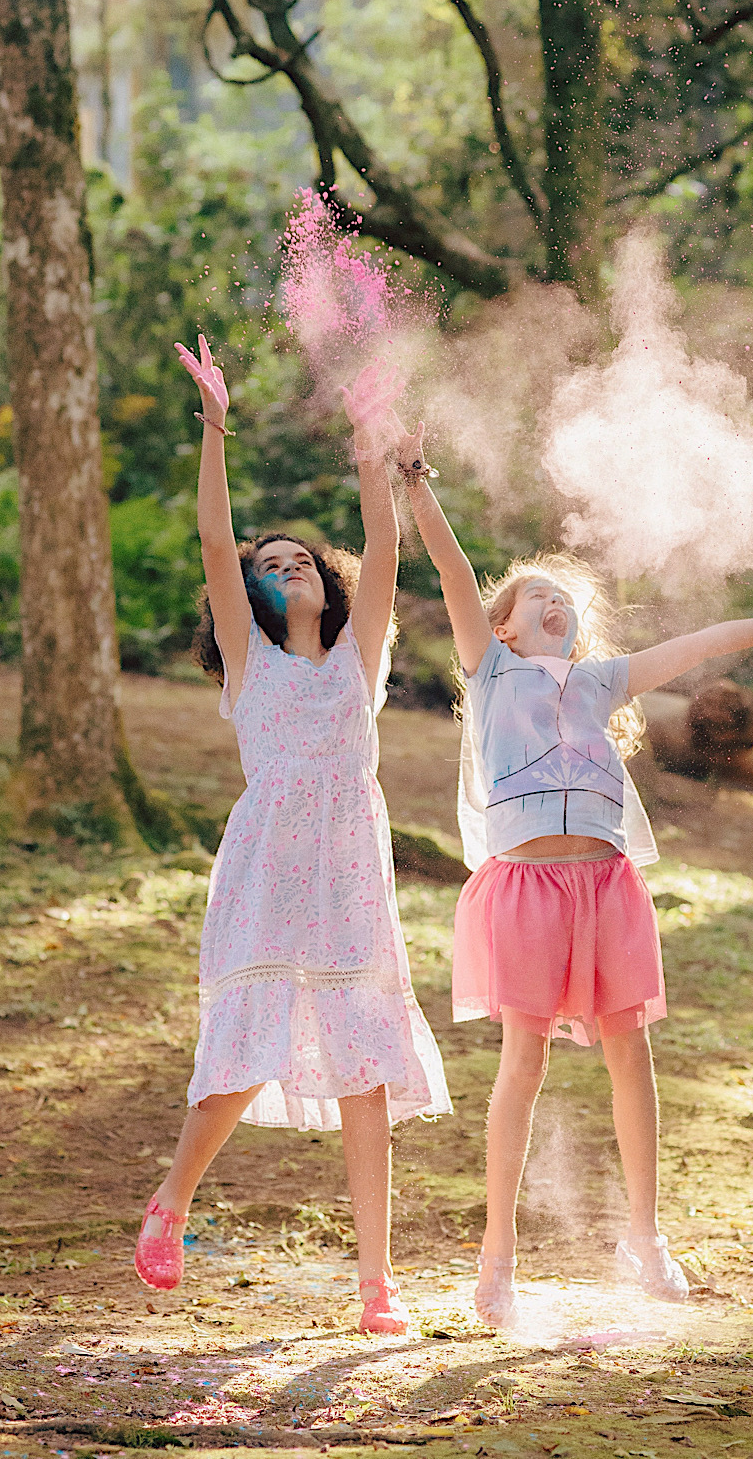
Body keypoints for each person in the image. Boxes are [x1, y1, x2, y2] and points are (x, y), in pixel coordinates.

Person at [393, 418, 753, 1329]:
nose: (558, 604)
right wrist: (417, 478)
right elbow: (453, 572)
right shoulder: (492, 673)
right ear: (502, 625)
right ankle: (498, 1262)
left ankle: (643, 1236)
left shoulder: (603, 681)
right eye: (539, 598)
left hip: (608, 888)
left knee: (630, 1056)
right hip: (528, 891)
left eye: (566, 598)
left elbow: (703, 643)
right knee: (522, 1065)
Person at [133, 339, 451, 1334]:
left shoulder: (358, 661)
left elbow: (383, 542)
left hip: (352, 879)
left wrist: (372, 443)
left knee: (364, 1070)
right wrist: (217, 427)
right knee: (241, 1055)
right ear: (253, 599)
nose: (289, 566)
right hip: (269, 875)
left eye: (301, 558)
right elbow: (213, 537)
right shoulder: (249, 666)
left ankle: (375, 1287)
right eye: (271, 566)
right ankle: (171, 1202)